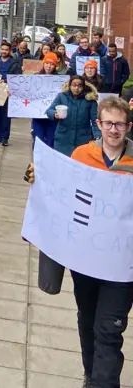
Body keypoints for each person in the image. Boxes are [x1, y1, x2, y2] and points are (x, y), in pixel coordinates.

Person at [68, 97, 133, 388]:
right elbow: (64, 193)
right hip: (86, 261)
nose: (114, 129)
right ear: (99, 124)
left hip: (123, 266)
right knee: (88, 321)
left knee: (109, 331)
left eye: (120, 124)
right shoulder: (82, 154)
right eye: (109, 123)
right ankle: (90, 374)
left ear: (129, 126)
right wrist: (38, 179)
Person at [45, 75, 99, 156]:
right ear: (70, 86)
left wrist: (97, 136)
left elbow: (95, 120)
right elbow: (49, 111)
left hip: (83, 140)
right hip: (63, 139)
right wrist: (54, 114)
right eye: (74, 85)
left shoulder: (90, 100)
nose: (76, 88)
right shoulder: (62, 96)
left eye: (79, 86)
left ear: (83, 87)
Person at [0, 41, 21, 146]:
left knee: (6, 115)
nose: (4, 51)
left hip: (8, 91)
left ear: (10, 51)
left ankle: (5, 137)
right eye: (2, 49)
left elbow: (17, 77)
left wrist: (5, 80)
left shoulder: (15, 63)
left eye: (6, 50)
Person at [31, 53, 61, 148]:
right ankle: (36, 161)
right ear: (43, 63)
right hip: (38, 116)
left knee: (50, 141)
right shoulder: (35, 77)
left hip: (52, 117)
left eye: (52, 64)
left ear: (55, 66)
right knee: (38, 140)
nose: (49, 66)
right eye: (47, 63)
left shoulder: (60, 79)